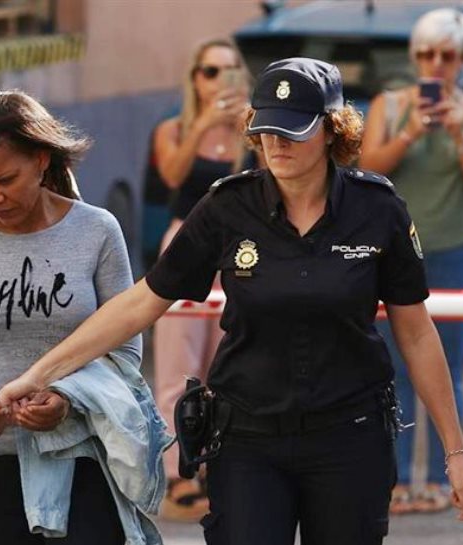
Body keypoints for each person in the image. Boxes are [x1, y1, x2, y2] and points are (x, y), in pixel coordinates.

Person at [0, 58, 463, 545]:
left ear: (333, 130)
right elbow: (142, 302)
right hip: (248, 439)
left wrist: (456, 452)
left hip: (349, 436)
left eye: (294, 131)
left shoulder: (377, 209)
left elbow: (417, 333)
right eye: (267, 129)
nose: (277, 144)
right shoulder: (227, 206)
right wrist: (39, 374)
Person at [0, 91, 168, 545]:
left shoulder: (97, 230)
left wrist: (67, 398)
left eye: (6, 179)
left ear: (40, 160)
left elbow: (125, 345)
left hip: (81, 458)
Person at [358, 8, 463, 515]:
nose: (435, 64)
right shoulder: (389, 105)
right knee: (394, 371)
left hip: (458, 250)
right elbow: (367, 168)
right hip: (395, 254)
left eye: (447, 55)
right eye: (426, 53)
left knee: (451, 369)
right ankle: (397, 479)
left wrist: (460, 135)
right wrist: (411, 133)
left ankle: (447, 477)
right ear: (414, 56)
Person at [148, 37, 253, 521]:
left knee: (224, 363)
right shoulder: (173, 127)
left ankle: (216, 464)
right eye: (210, 71)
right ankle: (177, 470)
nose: (218, 80)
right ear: (195, 78)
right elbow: (172, 174)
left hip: (237, 251)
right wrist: (205, 125)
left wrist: (242, 131)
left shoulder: (252, 132)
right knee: (177, 364)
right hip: (185, 244)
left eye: (229, 71)